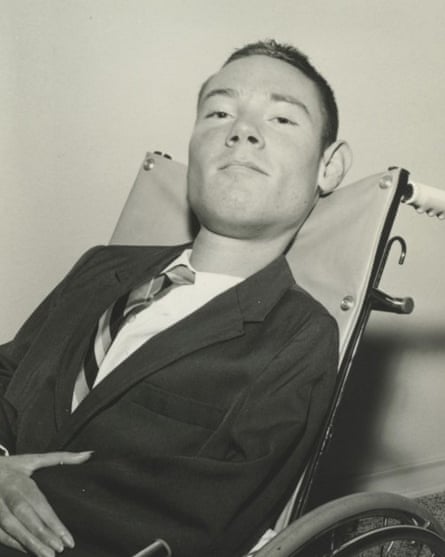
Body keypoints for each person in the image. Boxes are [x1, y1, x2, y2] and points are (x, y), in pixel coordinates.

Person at [0, 40, 352, 557]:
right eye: (219, 111)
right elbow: (8, 371)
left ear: (329, 167)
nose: (241, 130)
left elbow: (200, 515)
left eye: (281, 119)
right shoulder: (100, 266)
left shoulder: (299, 338)